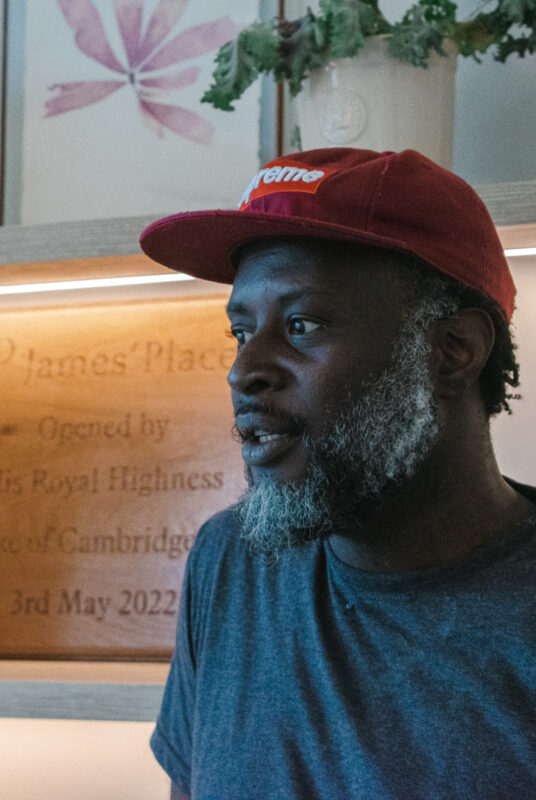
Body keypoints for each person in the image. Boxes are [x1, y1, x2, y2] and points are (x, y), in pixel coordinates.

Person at [138, 148, 536, 799]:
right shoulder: (231, 562)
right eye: (241, 332)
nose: (244, 372)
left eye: (302, 324)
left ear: (453, 350)